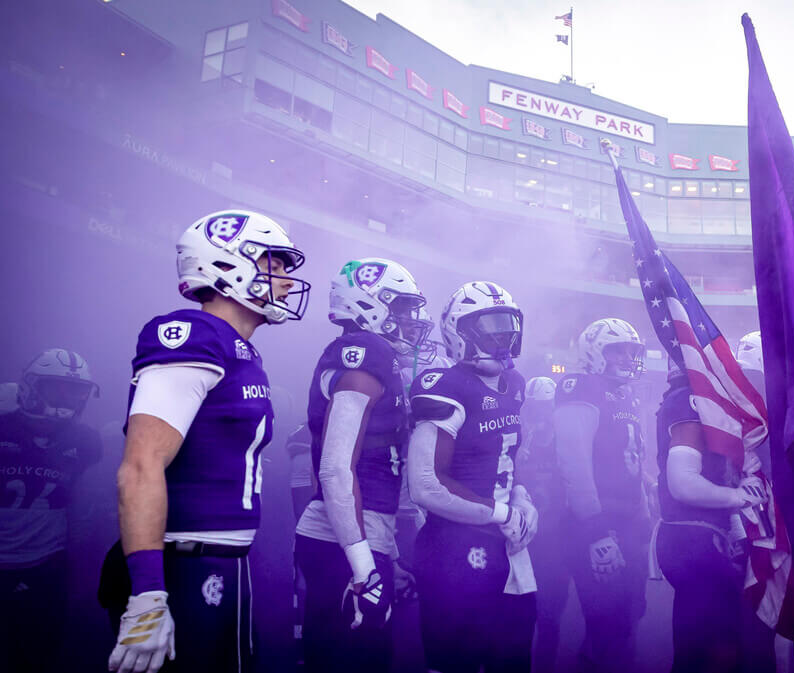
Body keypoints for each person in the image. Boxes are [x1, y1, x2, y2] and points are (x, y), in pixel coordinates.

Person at [99, 210, 310, 673]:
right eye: (275, 265)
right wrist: (149, 597)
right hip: (182, 566)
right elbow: (140, 466)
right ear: (230, 264)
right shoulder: (193, 336)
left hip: (221, 562)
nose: (288, 283)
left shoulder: (239, 348)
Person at [294, 258, 431, 673]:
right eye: (403, 308)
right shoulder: (367, 351)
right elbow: (336, 467)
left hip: (358, 531)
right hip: (344, 536)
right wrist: (364, 566)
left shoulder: (378, 355)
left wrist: (382, 555)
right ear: (372, 304)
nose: (413, 319)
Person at [407, 281, 538, 673]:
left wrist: (522, 499)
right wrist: (500, 513)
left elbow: (507, 460)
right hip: (452, 548)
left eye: (508, 323)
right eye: (491, 324)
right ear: (461, 332)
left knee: (513, 658)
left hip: (509, 549)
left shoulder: (514, 383)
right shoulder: (444, 386)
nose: (504, 334)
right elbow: (426, 484)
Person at [654, 361, 768, 673]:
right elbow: (684, 483)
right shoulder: (688, 399)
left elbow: (713, 469)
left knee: (712, 643)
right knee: (708, 649)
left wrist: (738, 486)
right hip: (693, 539)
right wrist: (738, 497)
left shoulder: (699, 400)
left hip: (703, 535)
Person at [553, 318, 649, 673]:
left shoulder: (624, 393)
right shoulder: (581, 387)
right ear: (594, 352)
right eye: (617, 350)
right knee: (606, 622)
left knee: (631, 611)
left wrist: (645, 497)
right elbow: (573, 462)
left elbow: (628, 458)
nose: (627, 358)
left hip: (626, 521)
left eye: (631, 351)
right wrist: (595, 532)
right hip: (596, 522)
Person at [0, 349, 102, 673]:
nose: (68, 398)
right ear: (32, 386)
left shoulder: (86, 441)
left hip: (47, 564)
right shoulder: (3, 427)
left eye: (76, 391)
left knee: (39, 655)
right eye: (58, 389)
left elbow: (85, 500)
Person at [514, 376, 568, 673]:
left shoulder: (564, 438)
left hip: (556, 537)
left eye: (547, 407)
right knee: (520, 612)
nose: (542, 414)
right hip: (524, 536)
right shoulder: (522, 436)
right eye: (536, 408)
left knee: (551, 615)